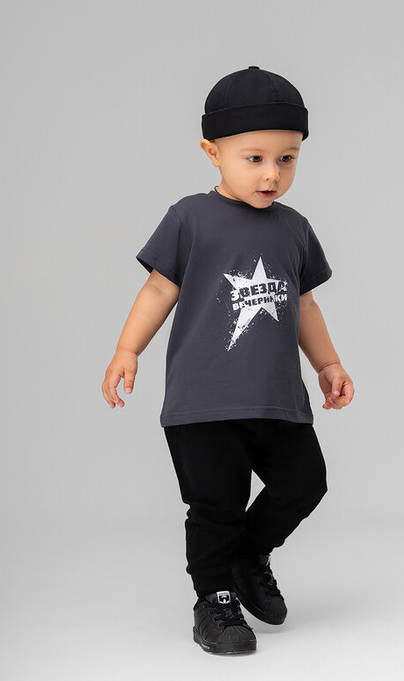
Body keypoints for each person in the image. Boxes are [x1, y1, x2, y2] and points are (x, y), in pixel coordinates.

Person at [102, 66, 354, 655]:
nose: (271, 174)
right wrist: (127, 349)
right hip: (204, 401)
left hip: (276, 399)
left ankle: (248, 554)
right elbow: (158, 289)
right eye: (254, 158)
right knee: (215, 503)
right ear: (212, 152)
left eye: (287, 159)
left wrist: (328, 364)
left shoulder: (295, 228)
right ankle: (214, 601)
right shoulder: (189, 217)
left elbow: (304, 304)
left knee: (305, 482)